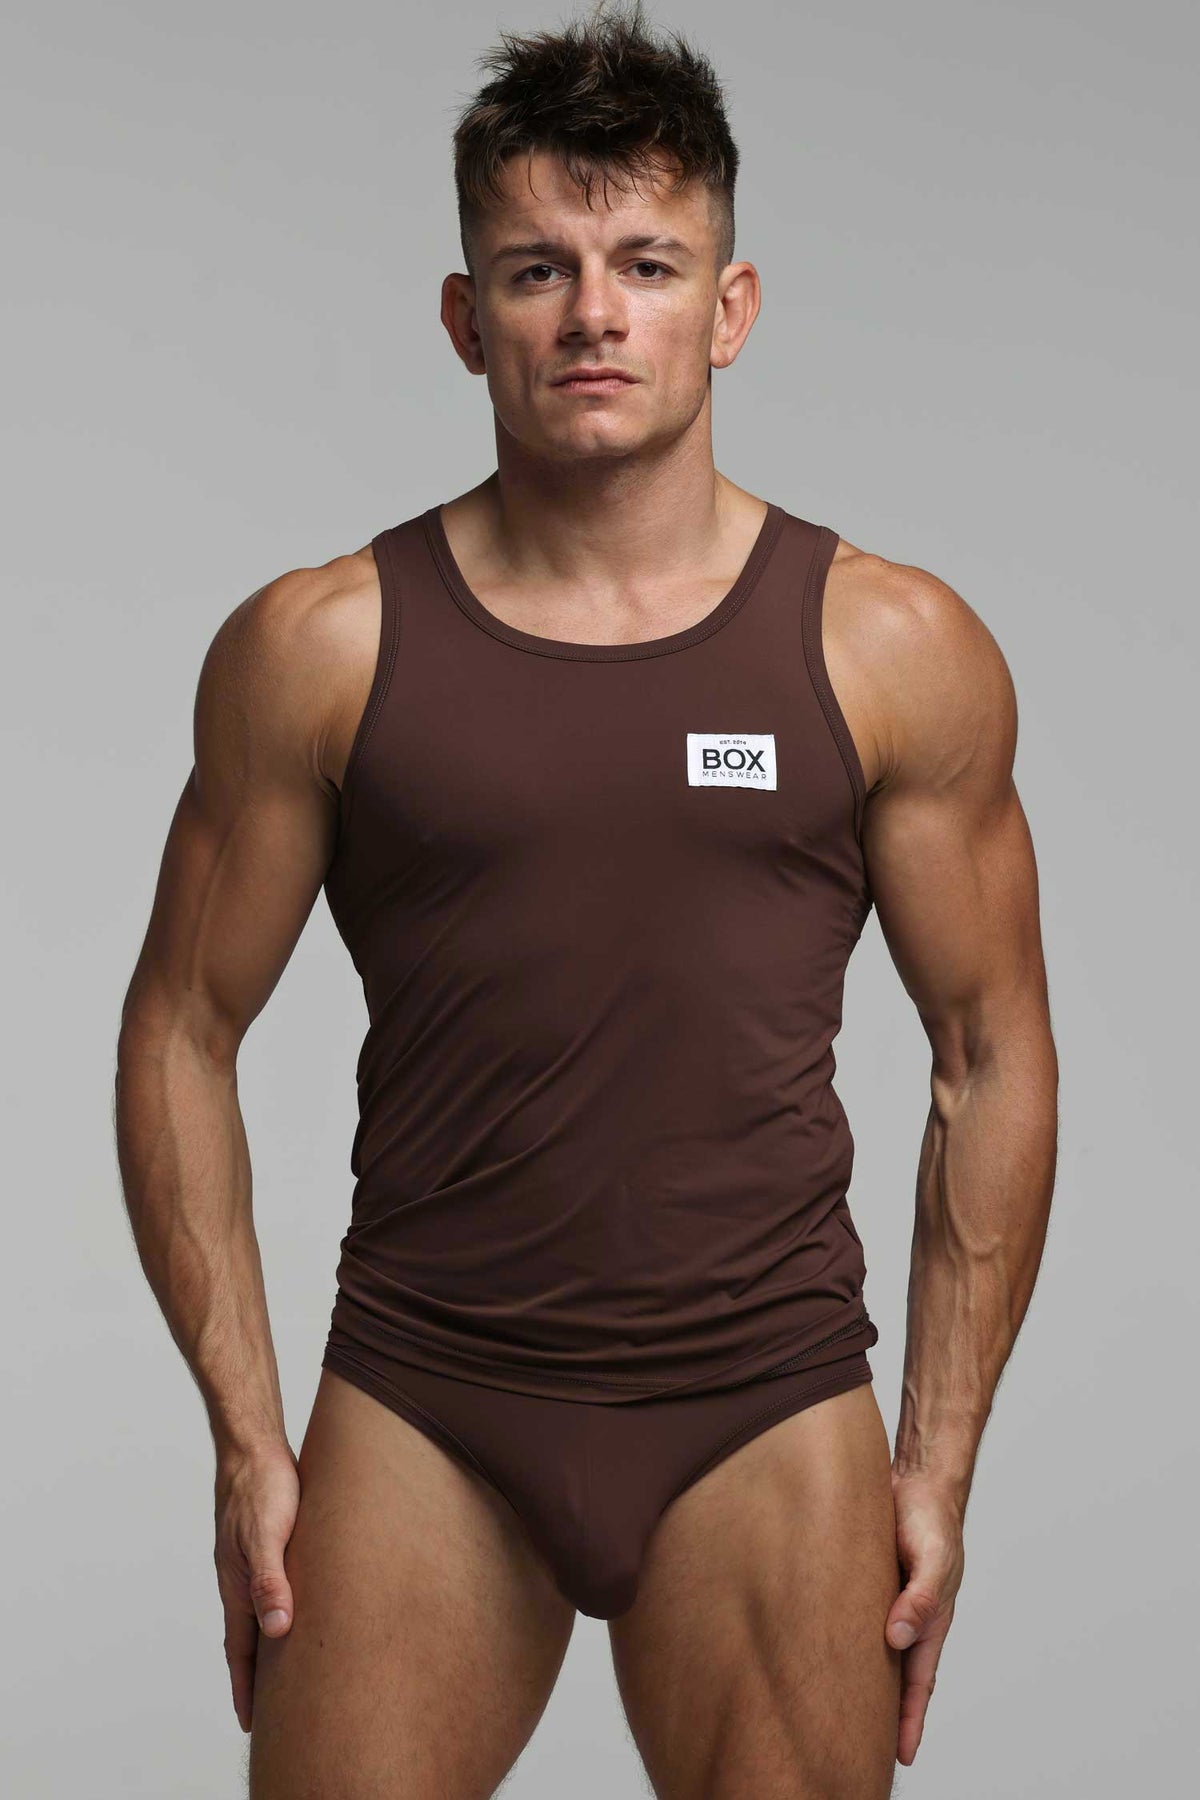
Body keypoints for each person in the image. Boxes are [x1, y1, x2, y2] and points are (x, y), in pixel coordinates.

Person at [114, 3, 1059, 1794]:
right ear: (467, 317)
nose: (595, 314)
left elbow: (991, 1049)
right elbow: (180, 1029)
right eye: (538, 269)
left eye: (647, 264)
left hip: (766, 1397)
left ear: (732, 306)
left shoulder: (888, 647)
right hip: (430, 1391)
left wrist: (938, 1460)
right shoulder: (321, 647)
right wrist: (245, 1439)